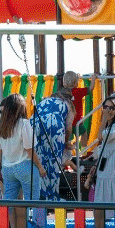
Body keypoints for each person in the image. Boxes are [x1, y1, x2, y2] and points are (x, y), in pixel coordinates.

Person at [0, 93, 41, 228]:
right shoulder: (24, 124)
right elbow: (29, 150)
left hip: (7, 168)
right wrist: (40, 167)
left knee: (8, 203)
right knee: (32, 202)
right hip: (25, 166)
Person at [31, 71, 80, 200]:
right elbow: (68, 128)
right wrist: (66, 141)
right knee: (53, 163)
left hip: (35, 125)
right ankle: (51, 196)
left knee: (39, 161)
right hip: (54, 128)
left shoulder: (47, 100)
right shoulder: (68, 105)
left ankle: (39, 196)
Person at [83, 95, 115, 204]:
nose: (108, 110)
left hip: (114, 164)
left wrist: (104, 119)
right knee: (104, 186)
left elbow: (101, 137)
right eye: (105, 107)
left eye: (111, 108)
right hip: (105, 164)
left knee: (113, 188)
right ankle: (103, 215)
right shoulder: (108, 127)